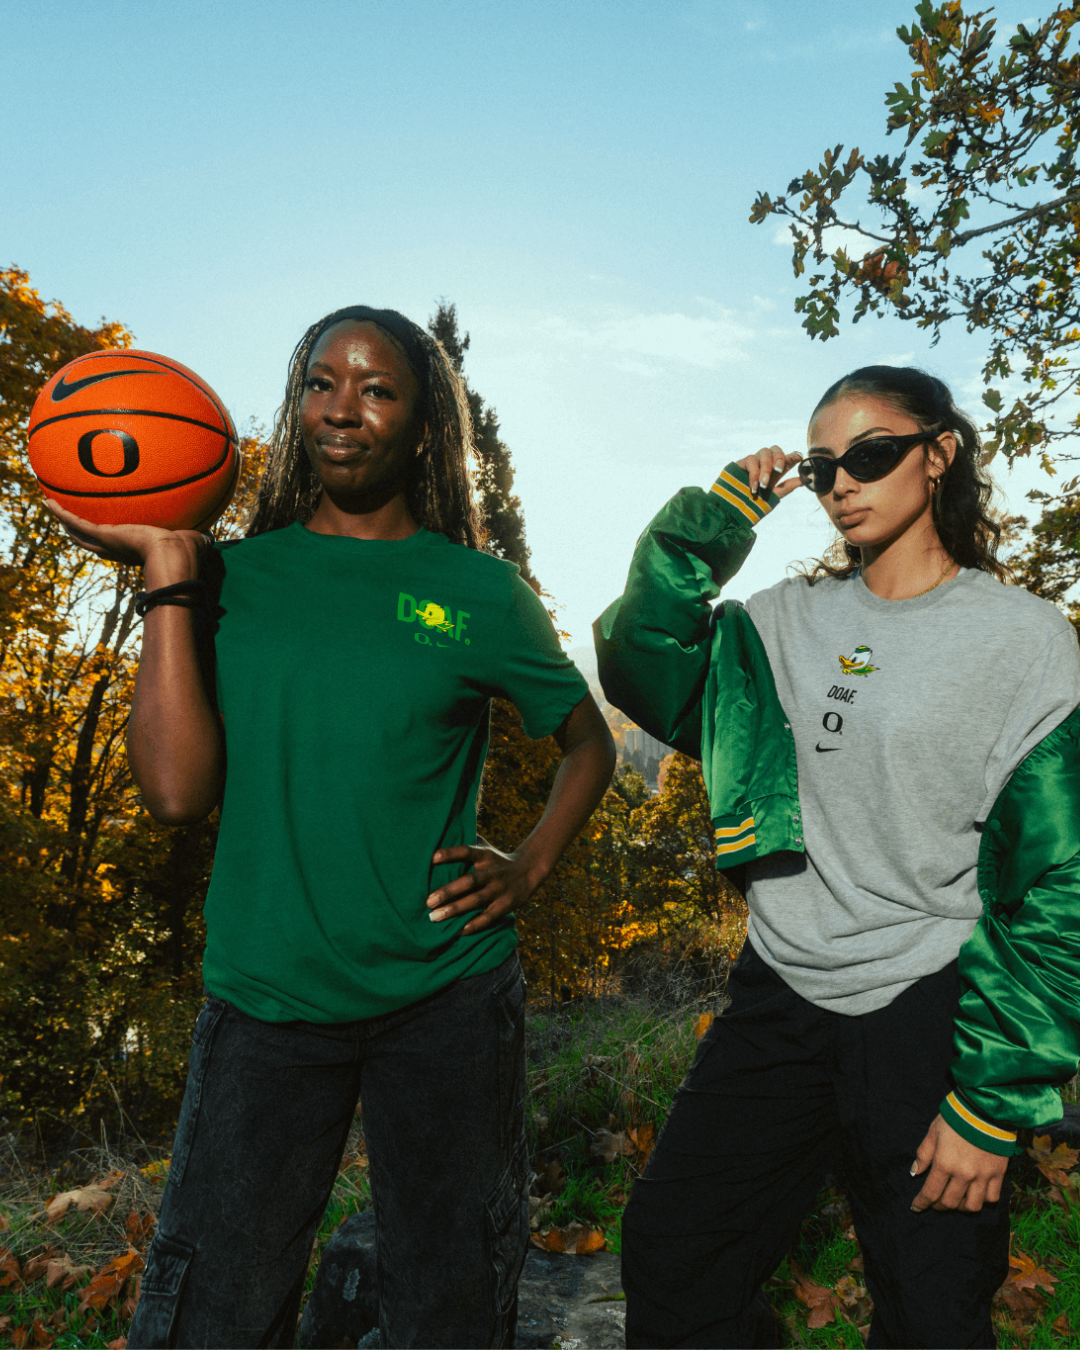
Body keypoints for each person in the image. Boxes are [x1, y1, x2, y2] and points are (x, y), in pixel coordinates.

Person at [46, 304, 615, 1349]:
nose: (341, 409)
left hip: (445, 997)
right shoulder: (228, 579)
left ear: (423, 424)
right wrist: (168, 571)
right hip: (266, 1000)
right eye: (320, 382)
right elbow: (175, 796)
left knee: (449, 1310)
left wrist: (528, 866)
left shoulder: (477, 592)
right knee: (214, 1313)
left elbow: (590, 743)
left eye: (377, 388)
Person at [594, 365, 1080, 1349]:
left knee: (933, 1305)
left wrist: (992, 1103)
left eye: (870, 454)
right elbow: (641, 658)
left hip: (931, 1010)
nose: (842, 483)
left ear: (939, 453)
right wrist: (712, 522)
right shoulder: (780, 625)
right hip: (780, 996)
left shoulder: (1024, 641)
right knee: (675, 1254)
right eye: (823, 468)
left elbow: (1061, 880)